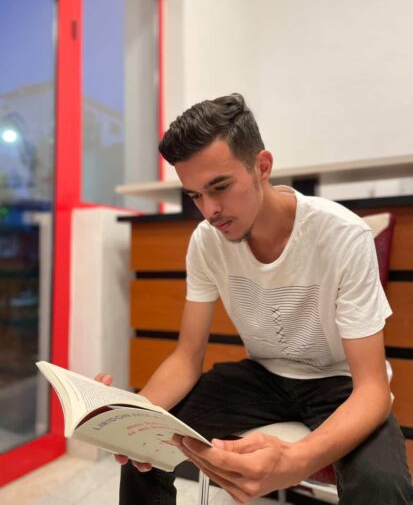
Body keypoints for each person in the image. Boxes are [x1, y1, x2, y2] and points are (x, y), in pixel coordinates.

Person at [97, 93, 413, 504]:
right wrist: (132, 416)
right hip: (264, 376)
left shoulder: (342, 236)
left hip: (342, 383)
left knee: (383, 486)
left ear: (262, 166)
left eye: (220, 187)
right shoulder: (206, 242)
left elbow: (372, 389)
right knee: (147, 438)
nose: (210, 210)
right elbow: (186, 358)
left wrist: (296, 459)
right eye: (195, 196)